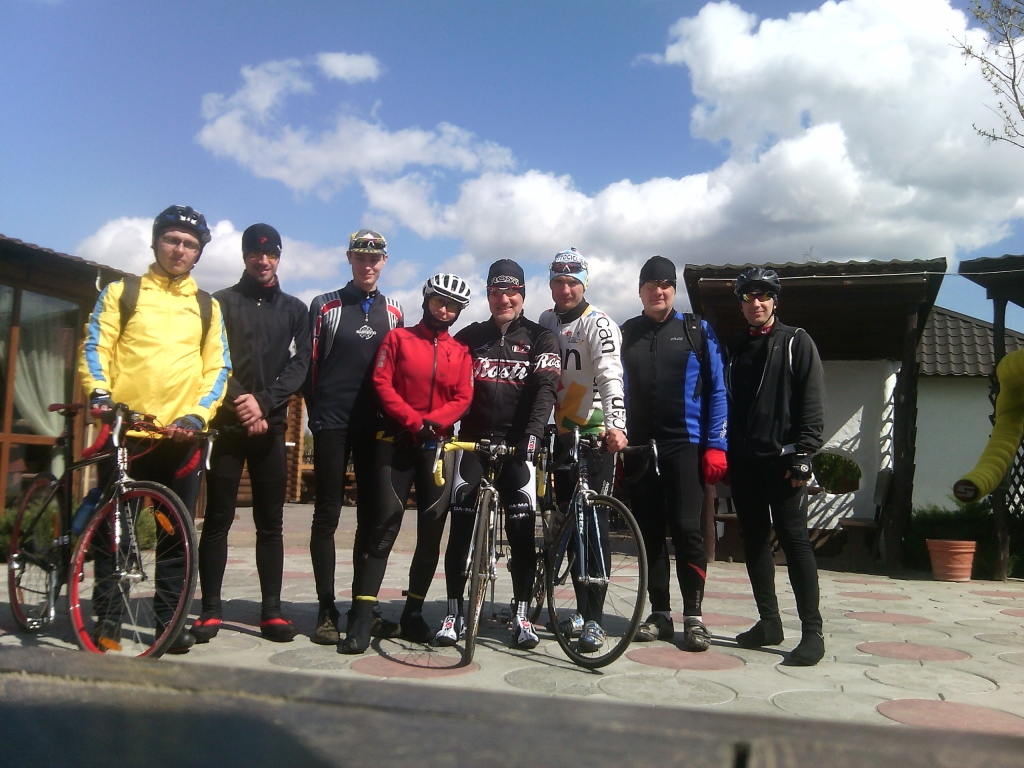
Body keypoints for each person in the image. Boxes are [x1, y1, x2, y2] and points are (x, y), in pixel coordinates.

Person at [79, 204, 231, 654]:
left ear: (199, 253)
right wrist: (100, 393)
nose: (179, 249)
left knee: (174, 535)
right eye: (172, 239)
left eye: (190, 244)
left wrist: (197, 415)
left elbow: (217, 368)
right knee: (115, 533)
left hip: (179, 437)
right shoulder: (122, 292)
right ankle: (108, 619)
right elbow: (96, 345)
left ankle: (169, 621)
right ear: (156, 241)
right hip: (126, 430)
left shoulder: (207, 306)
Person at [190, 224, 312, 645]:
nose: (263, 261)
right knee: (217, 520)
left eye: (271, 254)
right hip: (227, 424)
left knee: (270, 524)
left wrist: (264, 402)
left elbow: (300, 365)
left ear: (279, 257)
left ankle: (271, 612)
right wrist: (243, 404)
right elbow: (209, 360)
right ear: (244, 256)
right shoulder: (219, 303)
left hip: (271, 426)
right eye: (256, 254)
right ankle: (210, 610)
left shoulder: (295, 310)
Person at [341, 274, 474, 654]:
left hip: (438, 447)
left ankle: (413, 613)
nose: (444, 310)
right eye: (439, 302)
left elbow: (464, 396)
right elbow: (382, 383)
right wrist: (414, 422)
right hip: (396, 441)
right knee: (383, 526)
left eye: (452, 306)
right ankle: (361, 617)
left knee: (431, 533)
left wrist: (434, 423)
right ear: (426, 300)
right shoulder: (398, 339)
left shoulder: (461, 351)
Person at [437, 259, 560, 650]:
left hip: (517, 445)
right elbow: (444, 383)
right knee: (459, 527)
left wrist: (533, 435)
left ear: (522, 294)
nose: (504, 299)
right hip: (473, 442)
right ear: (488, 295)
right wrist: (442, 426)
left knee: (522, 534)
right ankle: (454, 613)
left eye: (511, 293)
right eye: (495, 292)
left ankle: (521, 615)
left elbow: (546, 389)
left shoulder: (541, 338)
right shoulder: (470, 336)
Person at [620, 255, 728, 652]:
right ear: (640, 291)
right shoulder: (626, 333)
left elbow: (718, 391)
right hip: (639, 447)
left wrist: (716, 445)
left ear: (674, 290)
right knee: (648, 532)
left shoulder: (697, 330)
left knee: (686, 530)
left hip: (685, 443)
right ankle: (660, 614)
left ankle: (694, 617)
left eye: (665, 284)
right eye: (650, 285)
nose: (658, 291)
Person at [304, 229, 403, 645]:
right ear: (349, 258)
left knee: (370, 515)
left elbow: (397, 368)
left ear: (384, 261)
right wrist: (317, 415)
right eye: (361, 257)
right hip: (332, 421)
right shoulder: (324, 305)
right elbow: (310, 366)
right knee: (327, 514)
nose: (368, 265)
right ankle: (326, 609)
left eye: (374, 258)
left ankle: (364, 607)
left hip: (374, 426)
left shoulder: (394, 311)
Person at [725, 266, 826, 666]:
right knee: (753, 541)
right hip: (744, 462)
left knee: (794, 541)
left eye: (764, 295)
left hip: (785, 462)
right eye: (748, 296)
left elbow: (812, 400)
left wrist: (805, 454)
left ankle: (812, 632)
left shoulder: (796, 341)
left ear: (775, 300)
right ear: (741, 304)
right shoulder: (734, 348)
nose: (756, 302)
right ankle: (769, 623)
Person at [537, 247, 627, 653]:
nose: (566, 289)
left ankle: (596, 617)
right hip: (562, 433)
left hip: (594, 434)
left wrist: (617, 426)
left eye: (573, 282)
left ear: (584, 284)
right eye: (559, 281)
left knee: (594, 524)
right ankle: (579, 607)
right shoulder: (546, 320)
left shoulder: (599, 323)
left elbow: (610, 376)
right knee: (569, 524)